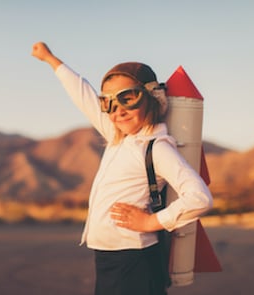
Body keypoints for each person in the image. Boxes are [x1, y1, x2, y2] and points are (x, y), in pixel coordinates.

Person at [31, 42, 213, 295]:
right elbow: (83, 96)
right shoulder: (119, 138)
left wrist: (152, 221)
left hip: (133, 259)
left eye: (127, 98)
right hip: (108, 257)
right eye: (108, 102)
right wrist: (51, 60)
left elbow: (200, 197)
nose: (118, 110)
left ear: (152, 98)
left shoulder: (156, 148)